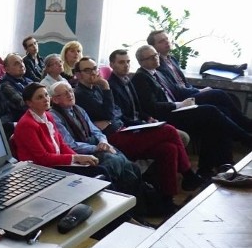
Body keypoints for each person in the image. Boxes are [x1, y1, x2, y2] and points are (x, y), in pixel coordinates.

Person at [74, 56, 204, 198]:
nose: (93, 73)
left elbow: (117, 112)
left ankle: (167, 198)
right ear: (79, 74)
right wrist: (106, 87)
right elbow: (108, 113)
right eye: (87, 70)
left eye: (94, 68)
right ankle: (188, 175)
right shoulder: (81, 94)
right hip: (111, 138)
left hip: (122, 129)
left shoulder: (97, 88)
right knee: (169, 130)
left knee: (168, 149)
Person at [131, 45, 252, 176]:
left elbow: (176, 90)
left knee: (218, 115)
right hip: (166, 115)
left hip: (179, 108)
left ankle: (210, 168)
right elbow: (152, 107)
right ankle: (245, 139)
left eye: (156, 55)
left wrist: (194, 95)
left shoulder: (158, 72)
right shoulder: (140, 78)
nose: (156, 58)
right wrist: (179, 105)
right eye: (151, 57)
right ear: (141, 62)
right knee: (211, 110)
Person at [48, 81, 143, 195]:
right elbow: (69, 144)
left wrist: (103, 141)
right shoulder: (54, 116)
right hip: (81, 154)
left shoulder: (78, 109)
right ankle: (123, 198)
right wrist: (96, 148)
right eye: (64, 93)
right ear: (55, 99)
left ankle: (137, 201)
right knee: (117, 162)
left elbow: (95, 130)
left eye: (70, 90)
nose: (70, 94)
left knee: (131, 166)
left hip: (96, 147)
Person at [149, 30, 252, 131]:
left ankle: (225, 145)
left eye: (167, 39)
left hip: (189, 93)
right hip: (182, 100)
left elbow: (185, 84)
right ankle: (246, 124)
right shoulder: (157, 65)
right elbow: (176, 90)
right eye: (161, 41)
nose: (166, 42)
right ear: (153, 47)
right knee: (218, 93)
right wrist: (198, 91)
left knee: (224, 110)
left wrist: (196, 89)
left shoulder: (172, 59)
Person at [11, 82, 99, 169]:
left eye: (46, 95)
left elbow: (61, 144)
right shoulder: (26, 125)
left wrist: (78, 158)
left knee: (97, 167)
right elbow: (42, 158)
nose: (46, 99)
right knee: (100, 170)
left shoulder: (48, 115)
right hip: (41, 170)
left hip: (57, 162)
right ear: (29, 103)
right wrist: (76, 158)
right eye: (40, 97)